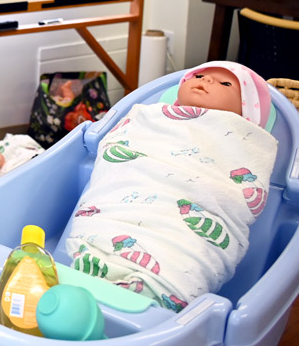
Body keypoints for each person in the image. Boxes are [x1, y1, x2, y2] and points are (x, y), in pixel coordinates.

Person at [65, 61, 277, 312]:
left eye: (225, 83)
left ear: (246, 114)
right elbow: (117, 155)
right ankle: (97, 262)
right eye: (199, 75)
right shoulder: (150, 118)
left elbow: (232, 191)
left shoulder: (241, 140)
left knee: (178, 256)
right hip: (120, 208)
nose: (206, 80)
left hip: (179, 231)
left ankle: (156, 287)